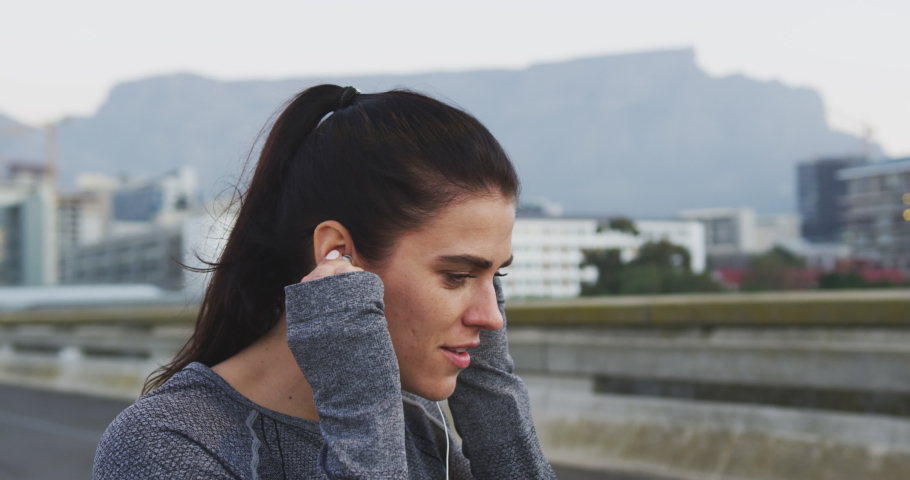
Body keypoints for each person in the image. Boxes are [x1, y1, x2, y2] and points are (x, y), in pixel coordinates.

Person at [93, 84, 556, 479]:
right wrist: (362, 413)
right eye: (457, 276)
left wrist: (491, 397)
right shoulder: (166, 444)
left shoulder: (416, 426)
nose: (492, 319)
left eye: (496, 277)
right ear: (337, 254)